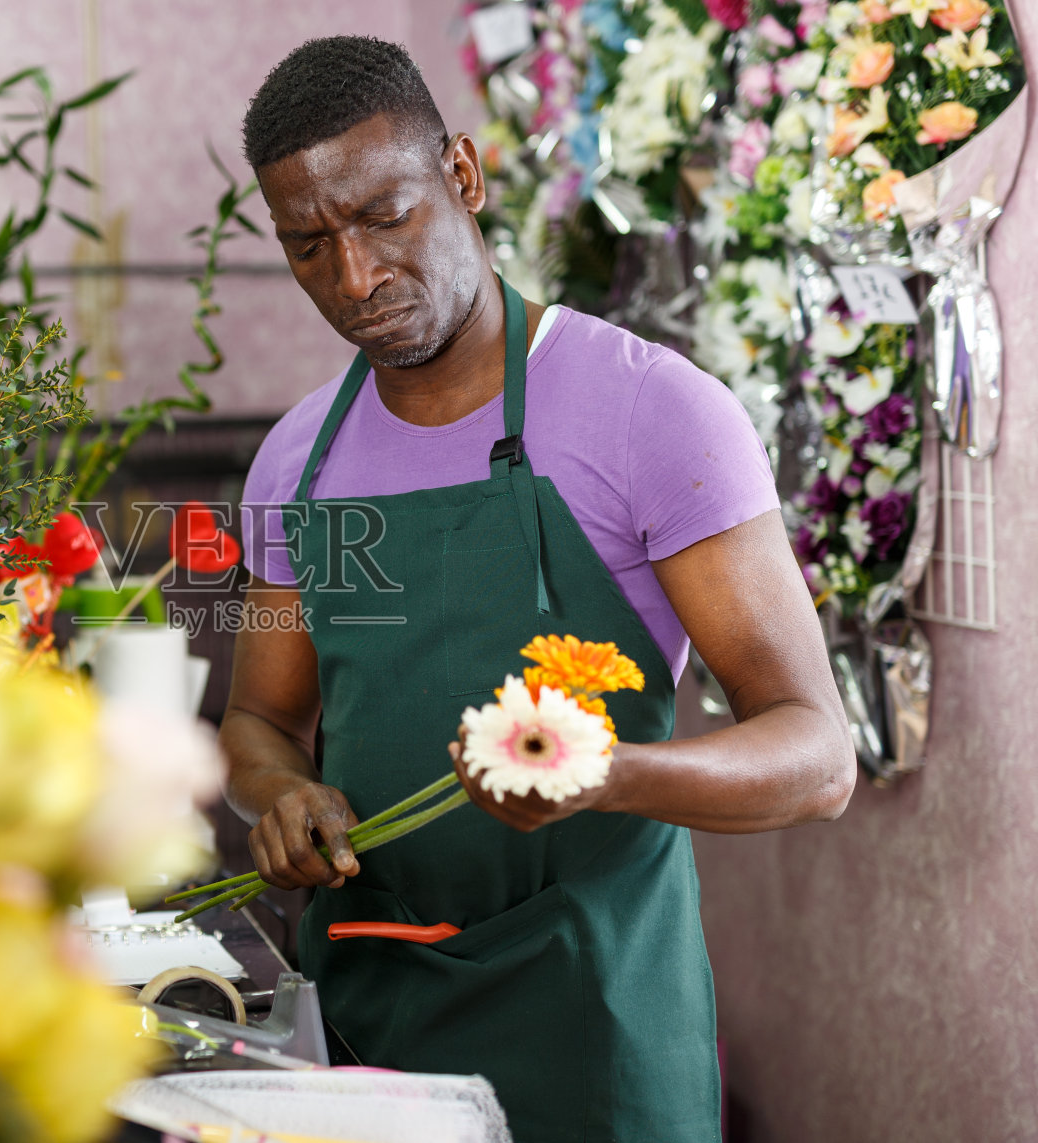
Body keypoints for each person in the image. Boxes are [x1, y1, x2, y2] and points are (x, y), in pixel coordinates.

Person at [220, 35, 855, 1143]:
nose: (355, 279)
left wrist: (605, 775)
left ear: (463, 175)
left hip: (595, 1025)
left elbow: (816, 757)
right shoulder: (294, 464)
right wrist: (278, 792)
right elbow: (260, 719)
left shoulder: (650, 413)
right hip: (372, 1025)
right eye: (309, 245)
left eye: (384, 217)